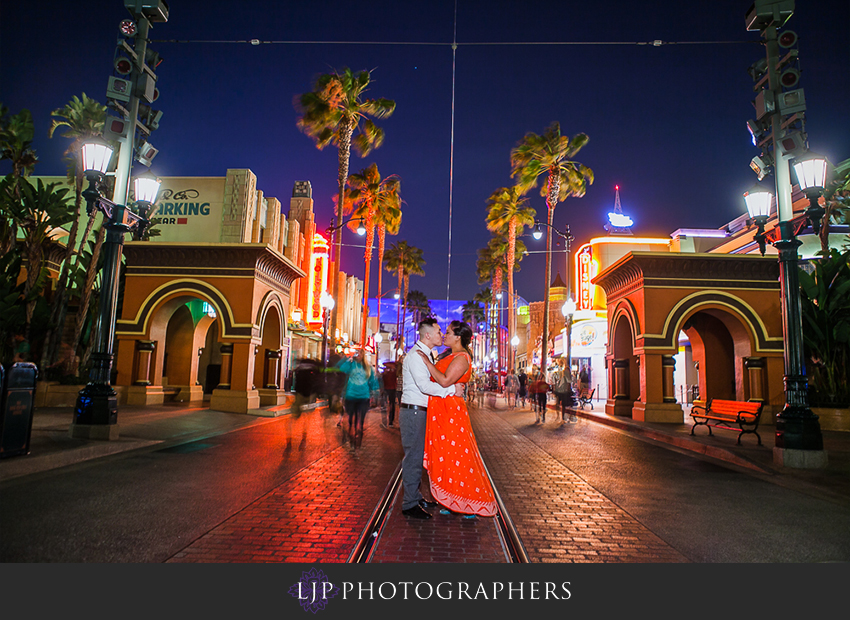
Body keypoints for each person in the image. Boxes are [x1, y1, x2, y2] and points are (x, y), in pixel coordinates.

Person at [417, 320, 497, 518]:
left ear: (458, 337)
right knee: (448, 456)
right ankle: (453, 499)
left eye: (448, 332)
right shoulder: (451, 355)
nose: (444, 335)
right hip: (442, 410)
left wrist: (427, 363)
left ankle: (469, 500)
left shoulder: (461, 358)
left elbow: (445, 381)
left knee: (459, 455)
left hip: (451, 412)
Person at [399, 318, 464, 519]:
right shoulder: (416, 357)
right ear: (427, 335)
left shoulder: (426, 354)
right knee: (413, 457)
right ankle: (409, 503)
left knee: (418, 456)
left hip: (421, 412)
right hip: (414, 412)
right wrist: (453, 390)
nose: (441, 335)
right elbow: (424, 387)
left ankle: (415, 496)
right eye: (438, 332)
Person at [337, 349, 380, 451]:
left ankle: (357, 443)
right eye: (356, 353)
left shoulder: (368, 367)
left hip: (363, 397)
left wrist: (375, 394)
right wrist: (348, 357)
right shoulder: (351, 365)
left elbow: (373, 381)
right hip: (351, 396)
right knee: (350, 422)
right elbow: (341, 368)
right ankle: (352, 441)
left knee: (360, 422)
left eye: (360, 353)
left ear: (363, 355)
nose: (358, 355)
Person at [381, 362, 398, 428]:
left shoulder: (388, 373)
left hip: (389, 389)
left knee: (389, 405)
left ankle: (389, 421)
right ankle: (390, 421)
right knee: (391, 405)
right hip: (391, 389)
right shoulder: (392, 372)